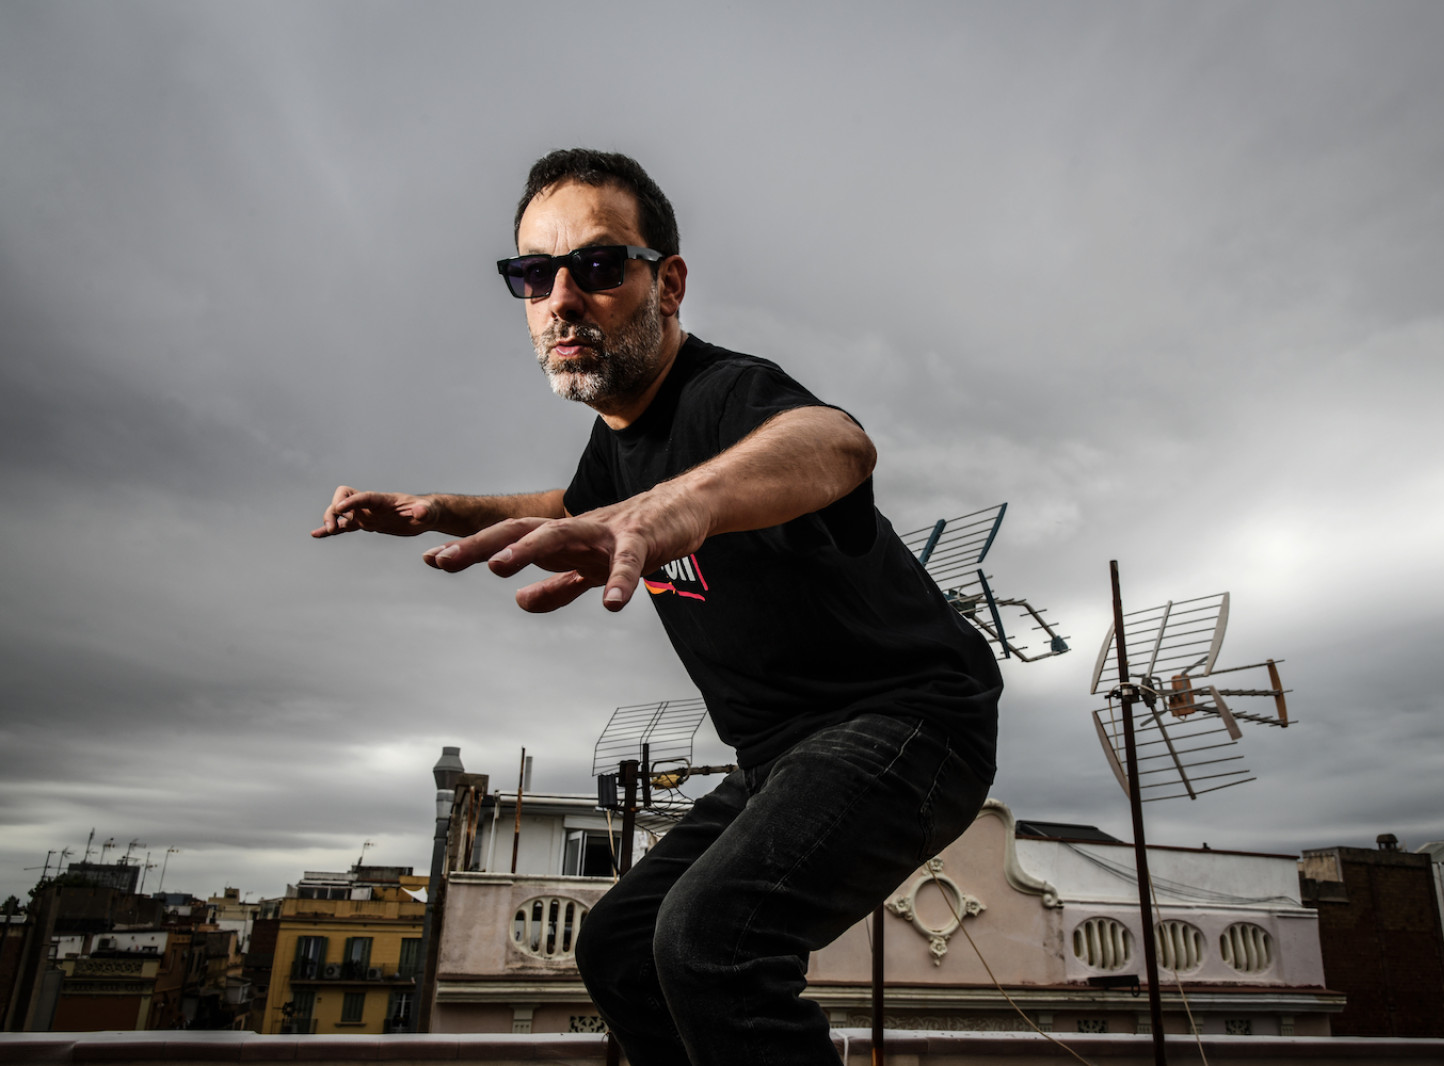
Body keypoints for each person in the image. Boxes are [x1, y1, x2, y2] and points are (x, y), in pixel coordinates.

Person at [312, 148, 1001, 1065]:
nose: (562, 299)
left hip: (910, 724)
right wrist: (435, 510)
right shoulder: (616, 444)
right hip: (778, 756)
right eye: (534, 275)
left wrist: (682, 505)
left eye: (599, 266)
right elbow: (569, 506)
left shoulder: (727, 394)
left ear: (667, 284)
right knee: (621, 950)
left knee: (712, 943)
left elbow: (835, 442)